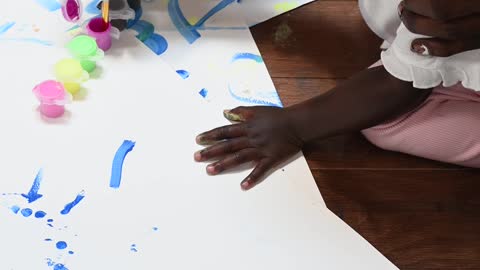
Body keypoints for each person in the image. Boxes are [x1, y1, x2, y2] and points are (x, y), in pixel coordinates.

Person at [194, 0, 480, 190]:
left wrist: (293, 126)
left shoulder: (440, 11)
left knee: (387, 125)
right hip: (434, 40)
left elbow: (398, 86)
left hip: (430, 50)